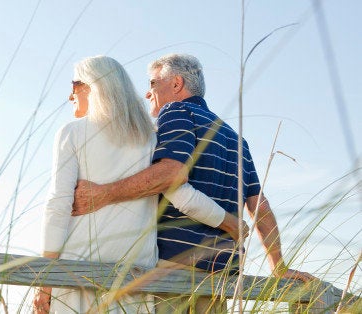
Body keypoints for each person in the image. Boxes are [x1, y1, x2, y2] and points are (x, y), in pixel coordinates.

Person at [71, 53, 316, 312]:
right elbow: (260, 206)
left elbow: (172, 174)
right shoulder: (236, 139)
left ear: (176, 84)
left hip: (175, 267)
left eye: (153, 83)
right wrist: (278, 266)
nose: (147, 93)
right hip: (222, 272)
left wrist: (105, 193)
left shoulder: (176, 111)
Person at [33, 55, 247, 314]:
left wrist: (44, 282)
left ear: (92, 85)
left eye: (74, 85)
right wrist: (229, 222)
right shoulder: (151, 138)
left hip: (79, 271)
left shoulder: (72, 133)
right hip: (136, 276)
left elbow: (57, 207)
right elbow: (182, 195)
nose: (70, 96)